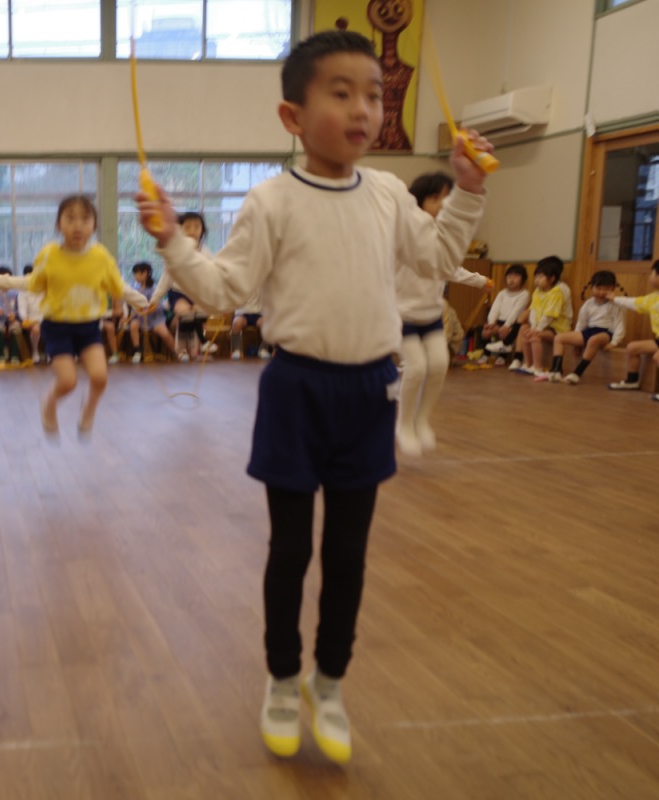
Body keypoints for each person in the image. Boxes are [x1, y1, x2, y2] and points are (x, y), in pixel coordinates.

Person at [135, 30, 490, 764]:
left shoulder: (387, 193)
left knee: (349, 554)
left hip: (369, 391)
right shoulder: (270, 202)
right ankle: (281, 678)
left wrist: (469, 191)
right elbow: (224, 289)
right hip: (296, 390)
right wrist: (172, 239)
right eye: (341, 93)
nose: (364, 109)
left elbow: (437, 258)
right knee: (290, 550)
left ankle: (329, 683)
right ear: (292, 117)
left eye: (375, 95)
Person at [0, 195, 146, 437]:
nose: (77, 226)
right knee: (67, 382)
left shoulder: (101, 256)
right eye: (70, 218)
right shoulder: (50, 254)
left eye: (85, 219)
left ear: (94, 225)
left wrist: (140, 301)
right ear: (59, 224)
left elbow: (117, 286)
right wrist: (6, 281)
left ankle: (88, 409)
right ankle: (49, 403)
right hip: (57, 327)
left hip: (89, 327)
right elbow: (34, 283)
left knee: (100, 378)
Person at [395, 171, 492, 456]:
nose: (441, 205)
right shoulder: (403, 233)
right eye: (435, 198)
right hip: (401, 316)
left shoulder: (442, 237)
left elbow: (450, 267)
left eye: (446, 200)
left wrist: (479, 280)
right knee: (416, 368)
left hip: (431, 316)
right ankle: (403, 426)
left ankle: (422, 420)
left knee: (439, 365)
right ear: (418, 200)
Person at [154, 211, 215, 360]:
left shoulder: (206, 253)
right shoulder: (175, 253)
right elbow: (165, 278)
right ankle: (183, 350)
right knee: (185, 312)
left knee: (199, 313)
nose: (192, 231)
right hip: (178, 292)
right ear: (179, 230)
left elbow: (213, 277)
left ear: (202, 230)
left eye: (197, 227)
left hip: (197, 294)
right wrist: (155, 299)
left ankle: (195, 350)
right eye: (187, 227)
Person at [554, 270, 625, 384]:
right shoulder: (588, 303)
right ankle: (556, 370)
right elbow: (581, 323)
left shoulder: (615, 304)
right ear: (592, 287)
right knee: (559, 338)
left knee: (593, 340)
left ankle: (577, 373)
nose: (601, 292)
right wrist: (576, 343)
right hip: (589, 331)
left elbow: (619, 324)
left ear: (612, 289)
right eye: (598, 288)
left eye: (606, 289)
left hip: (606, 333)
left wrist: (615, 342)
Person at [608, 259, 659, 397]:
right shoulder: (653, 298)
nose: (650, 277)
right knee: (632, 348)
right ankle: (632, 381)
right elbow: (634, 302)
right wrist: (615, 299)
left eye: (652, 273)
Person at [515, 257, 571, 378]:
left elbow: (549, 315)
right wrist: (533, 327)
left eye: (540, 277)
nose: (536, 280)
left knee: (535, 336)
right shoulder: (537, 292)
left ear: (551, 279)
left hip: (557, 328)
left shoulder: (557, 292)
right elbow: (533, 311)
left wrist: (538, 329)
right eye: (536, 277)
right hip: (542, 326)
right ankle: (527, 364)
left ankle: (538, 367)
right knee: (526, 333)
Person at [127, 262, 176, 363]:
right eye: (134, 273)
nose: (135, 276)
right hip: (139, 317)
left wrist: (147, 310)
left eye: (137, 273)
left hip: (155, 317)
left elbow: (157, 306)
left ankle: (177, 352)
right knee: (133, 326)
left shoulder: (154, 289)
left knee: (164, 333)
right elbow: (133, 306)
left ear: (145, 273)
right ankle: (137, 351)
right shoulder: (135, 289)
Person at [481, 264, 529, 363]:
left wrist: (507, 325)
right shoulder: (502, 293)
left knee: (504, 332)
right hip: (498, 321)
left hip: (513, 324)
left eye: (516, 276)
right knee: (486, 331)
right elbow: (495, 309)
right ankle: (485, 354)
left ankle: (502, 357)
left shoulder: (524, 294)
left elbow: (516, 312)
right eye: (509, 276)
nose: (511, 279)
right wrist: (491, 323)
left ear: (523, 279)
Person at [17, 264, 44, 363]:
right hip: (31, 318)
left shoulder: (44, 288)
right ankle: (35, 351)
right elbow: (22, 309)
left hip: (45, 317)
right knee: (36, 329)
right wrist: (25, 319)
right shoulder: (22, 292)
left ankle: (53, 353)